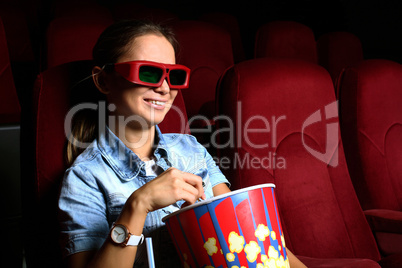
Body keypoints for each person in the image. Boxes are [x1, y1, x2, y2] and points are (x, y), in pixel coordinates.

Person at [58, 20, 307, 268]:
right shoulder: (84, 177)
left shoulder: (191, 149)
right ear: (103, 80)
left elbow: (248, 234)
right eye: (147, 72)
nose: (164, 88)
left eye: (173, 75)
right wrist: (139, 204)